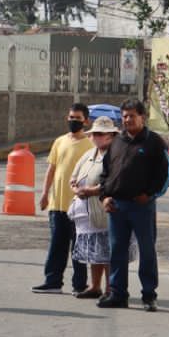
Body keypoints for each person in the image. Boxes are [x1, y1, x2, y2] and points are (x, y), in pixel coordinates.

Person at [98, 100, 169, 312]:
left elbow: (164, 175)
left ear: (142, 117)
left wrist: (149, 194)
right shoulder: (116, 142)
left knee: (147, 251)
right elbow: (105, 173)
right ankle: (118, 294)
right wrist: (104, 196)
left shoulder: (154, 142)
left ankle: (149, 295)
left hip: (142, 207)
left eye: (132, 116)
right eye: (125, 116)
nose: (128, 120)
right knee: (117, 251)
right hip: (116, 207)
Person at [32, 103, 93, 295]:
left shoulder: (90, 146)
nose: (73, 121)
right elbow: (51, 170)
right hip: (57, 204)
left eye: (77, 118)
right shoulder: (59, 142)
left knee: (78, 247)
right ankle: (53, 282)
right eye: (71, 117)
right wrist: (44, 194)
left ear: (86, 121)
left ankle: (80, 285)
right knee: (56, 245)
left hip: (79, 206)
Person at [70, 117, 121, 300]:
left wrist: (90, 191)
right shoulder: (89, 154)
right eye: (95, 134)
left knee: (107, 251)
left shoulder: (115, 155)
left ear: (111, 136)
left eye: (100, 134)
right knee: (94, 251)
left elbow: (112, 182)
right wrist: (76, 189)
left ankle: (110, 288)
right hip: (86, 211)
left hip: (105, 208)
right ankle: (95, 286)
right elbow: (74, 177)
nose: (96, 137)